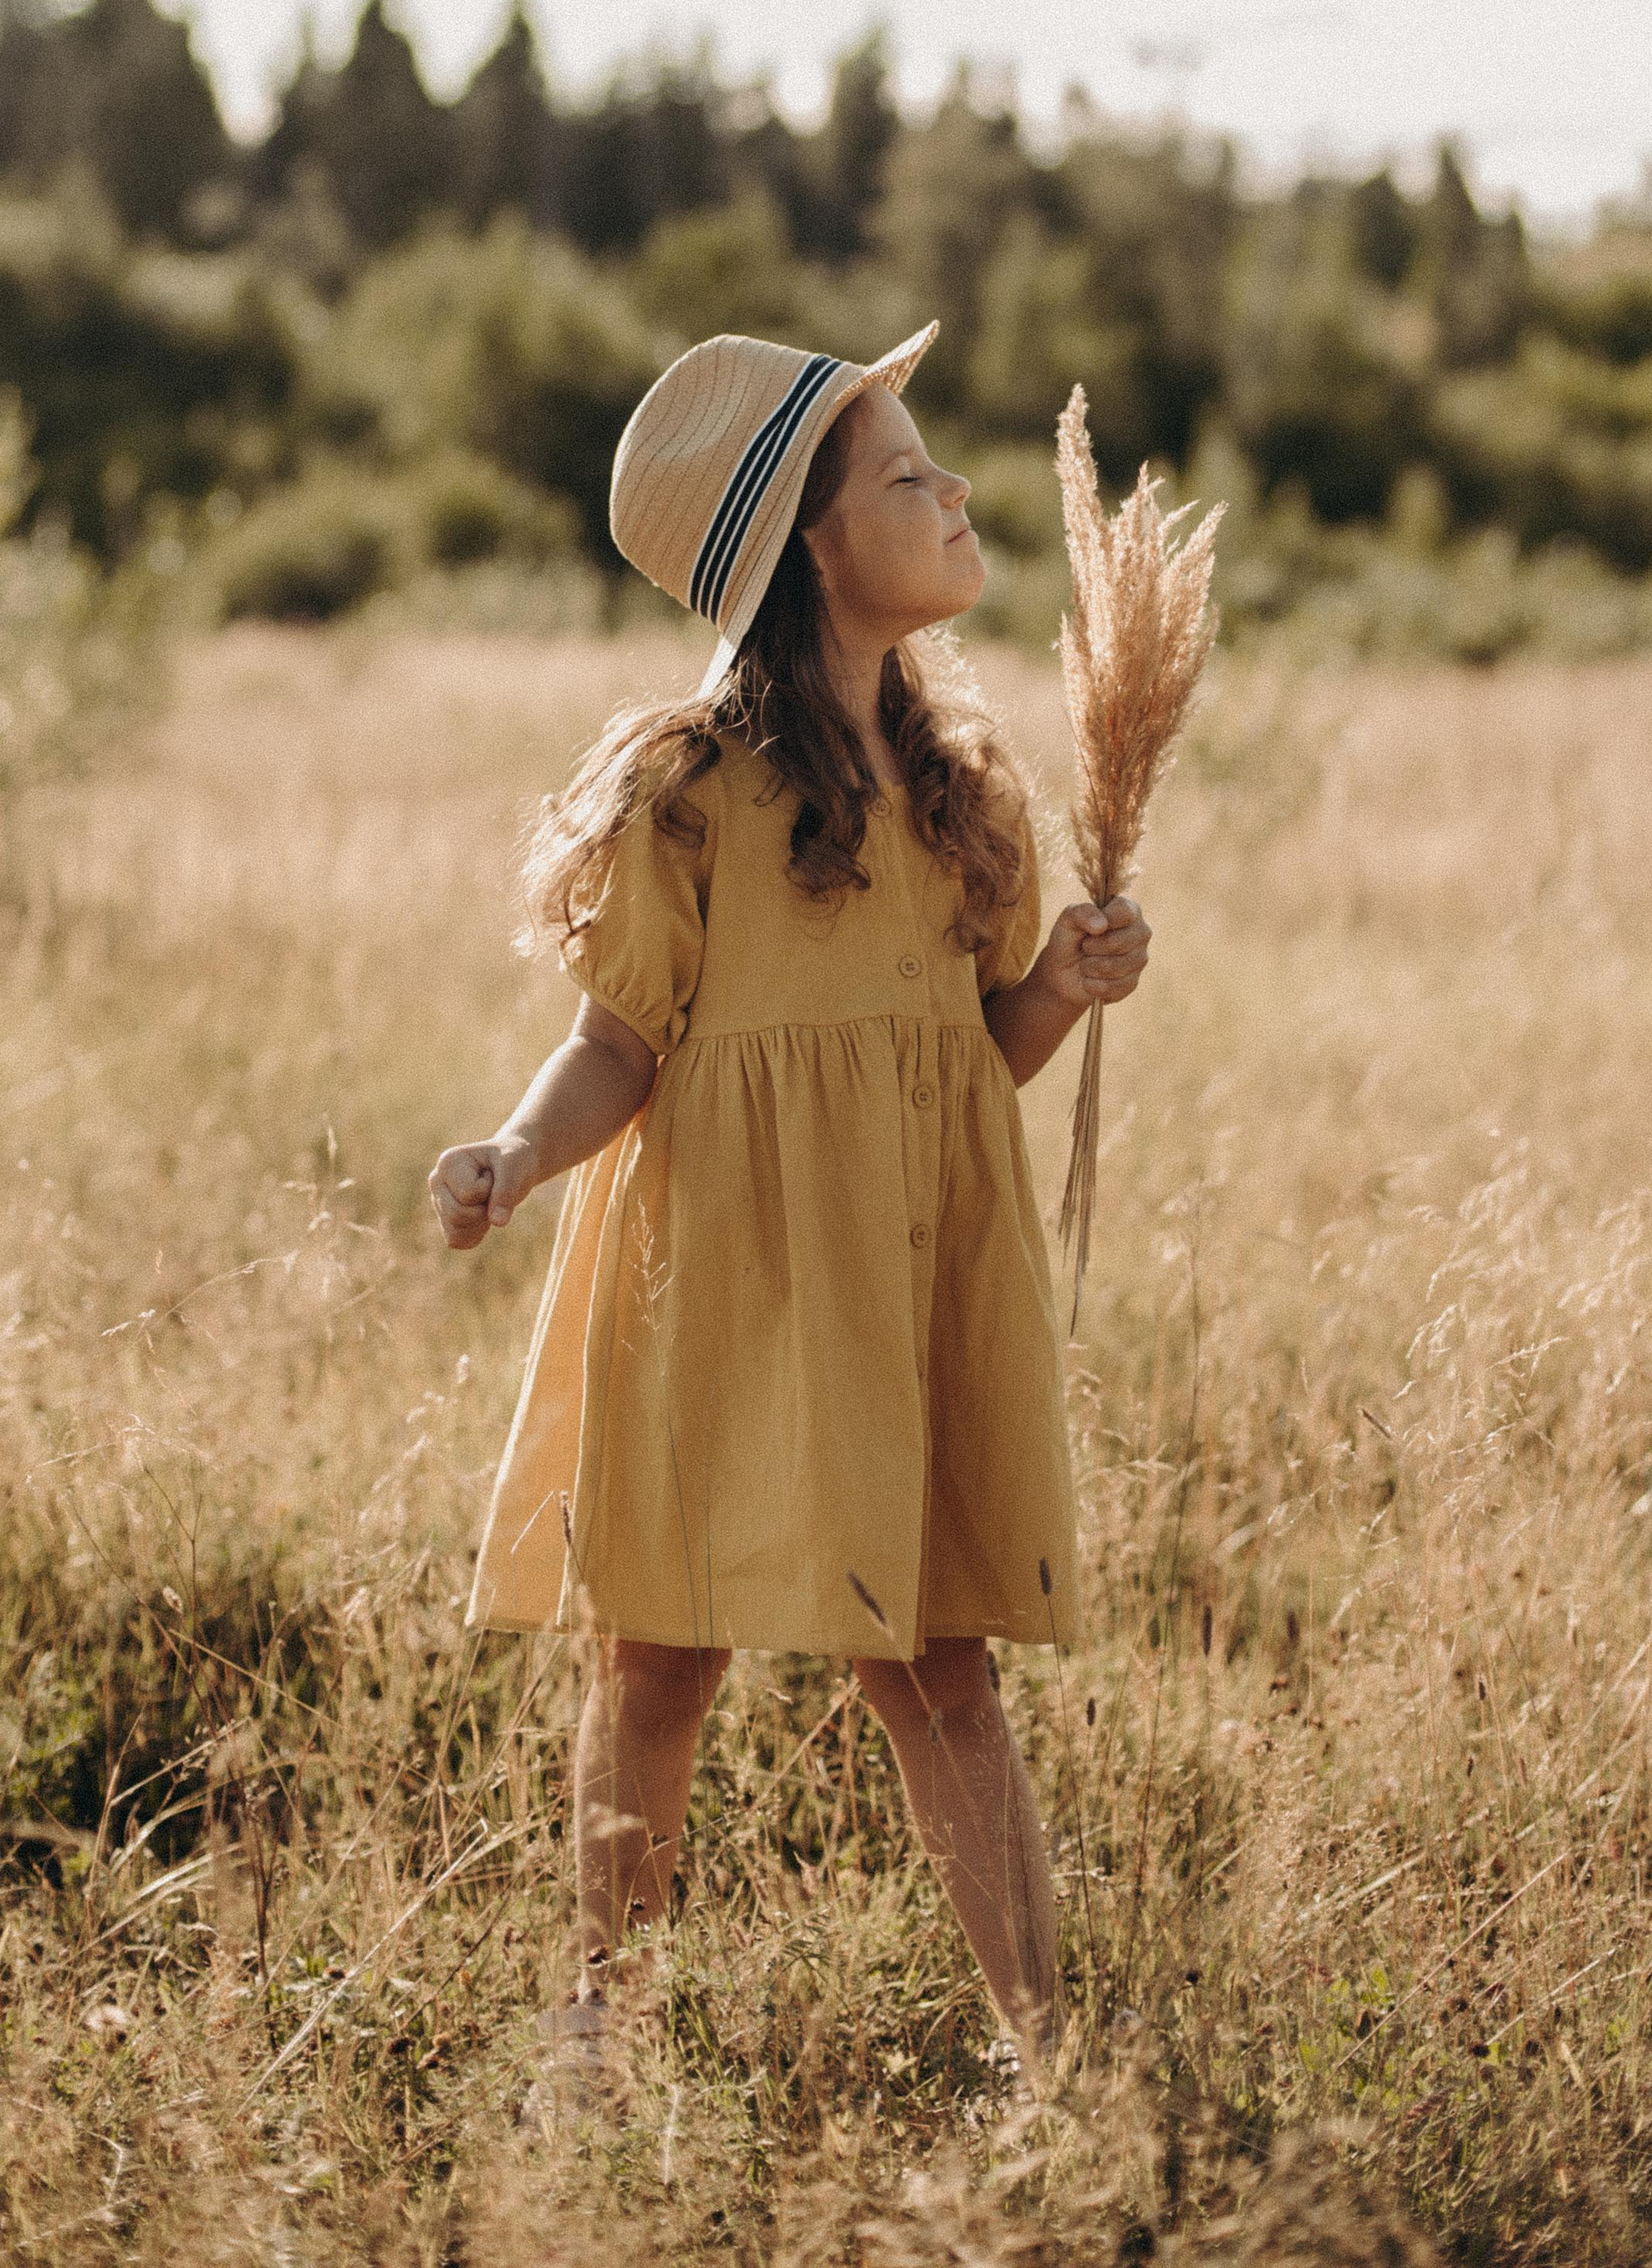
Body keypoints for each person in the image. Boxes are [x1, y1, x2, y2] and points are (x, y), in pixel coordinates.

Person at [429, 321, 1149, 2082]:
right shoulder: (688, 796)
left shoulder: (965, 792)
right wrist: (517, 1155)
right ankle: (595, 2022)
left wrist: (1058, 983)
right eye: (905, 476)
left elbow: (972, 1063)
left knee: (939, 1669)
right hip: (722, 1279)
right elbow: (617, 1041)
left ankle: (1045, 2051)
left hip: (895, 1279)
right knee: (657, 1658)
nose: (953, 491)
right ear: (809, 548)